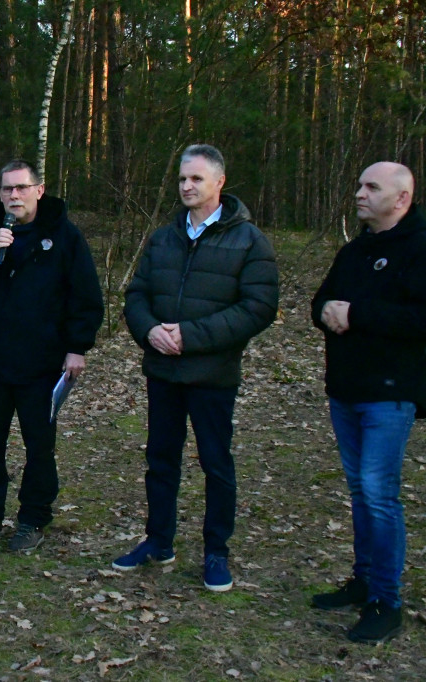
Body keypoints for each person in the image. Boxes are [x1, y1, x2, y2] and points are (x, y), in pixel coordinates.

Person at [116, 144, 278, 591]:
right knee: (160, 459)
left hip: (212, 375)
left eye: (196, 179)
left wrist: (191, 335)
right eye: (183, 179)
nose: (187, 186)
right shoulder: (164, 237)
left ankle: (216, 552)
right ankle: (158, 541)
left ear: (219, 182)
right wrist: (149, 331)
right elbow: (137, 295)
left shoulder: (249, 240)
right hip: (163, 372)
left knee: (216, 464)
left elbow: (259, 307)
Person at [309, 162, 426, 644]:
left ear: (402, 198)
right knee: (360, 491)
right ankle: (364, 578)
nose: (359, 193)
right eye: (359, 184)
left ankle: (386, 601)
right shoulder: (355, 251)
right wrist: (325, 310)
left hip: (390, 395)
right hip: (346, 391)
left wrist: (357, 314)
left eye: (372, 187)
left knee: (379, 494)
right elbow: (323, 301)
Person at [0, 160, 104, 551]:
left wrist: (76, 347)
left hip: (43, 363)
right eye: (6, 189)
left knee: (38, 445)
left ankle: (33, 519)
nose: (13, 196)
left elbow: (85, 297)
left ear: (39, 189)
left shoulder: (65, 237)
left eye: (20, 188)